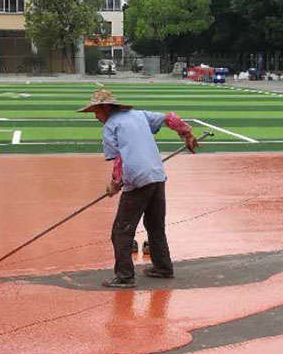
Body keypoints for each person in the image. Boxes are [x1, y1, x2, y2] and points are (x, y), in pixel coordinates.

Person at [79, 88, 198, 288]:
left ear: (106, 108)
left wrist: (115, 184)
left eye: (96, 112)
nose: (96, 116)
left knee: (121, 231)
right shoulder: (139, 115)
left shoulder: (110, 126)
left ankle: (125, 276)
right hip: (156, 177)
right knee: (155, 226)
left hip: (137, 181)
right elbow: (170, 118)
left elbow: (118, 160)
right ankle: (163, 268)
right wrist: (187, 133)